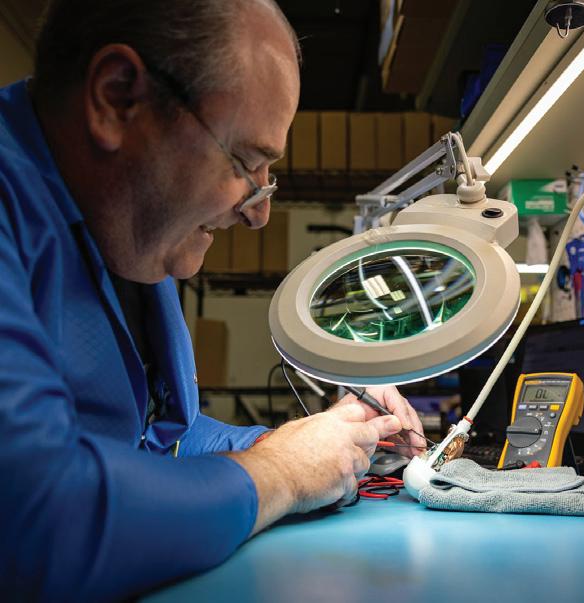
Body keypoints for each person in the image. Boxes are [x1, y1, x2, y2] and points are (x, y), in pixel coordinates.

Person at [0, 1, 425, 600]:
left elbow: (158, 438)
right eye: (246, 163)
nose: (259, 215)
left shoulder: (122, 227)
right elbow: (39, 522)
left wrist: (321, 444)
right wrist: (279, 474)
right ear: (118, 98)